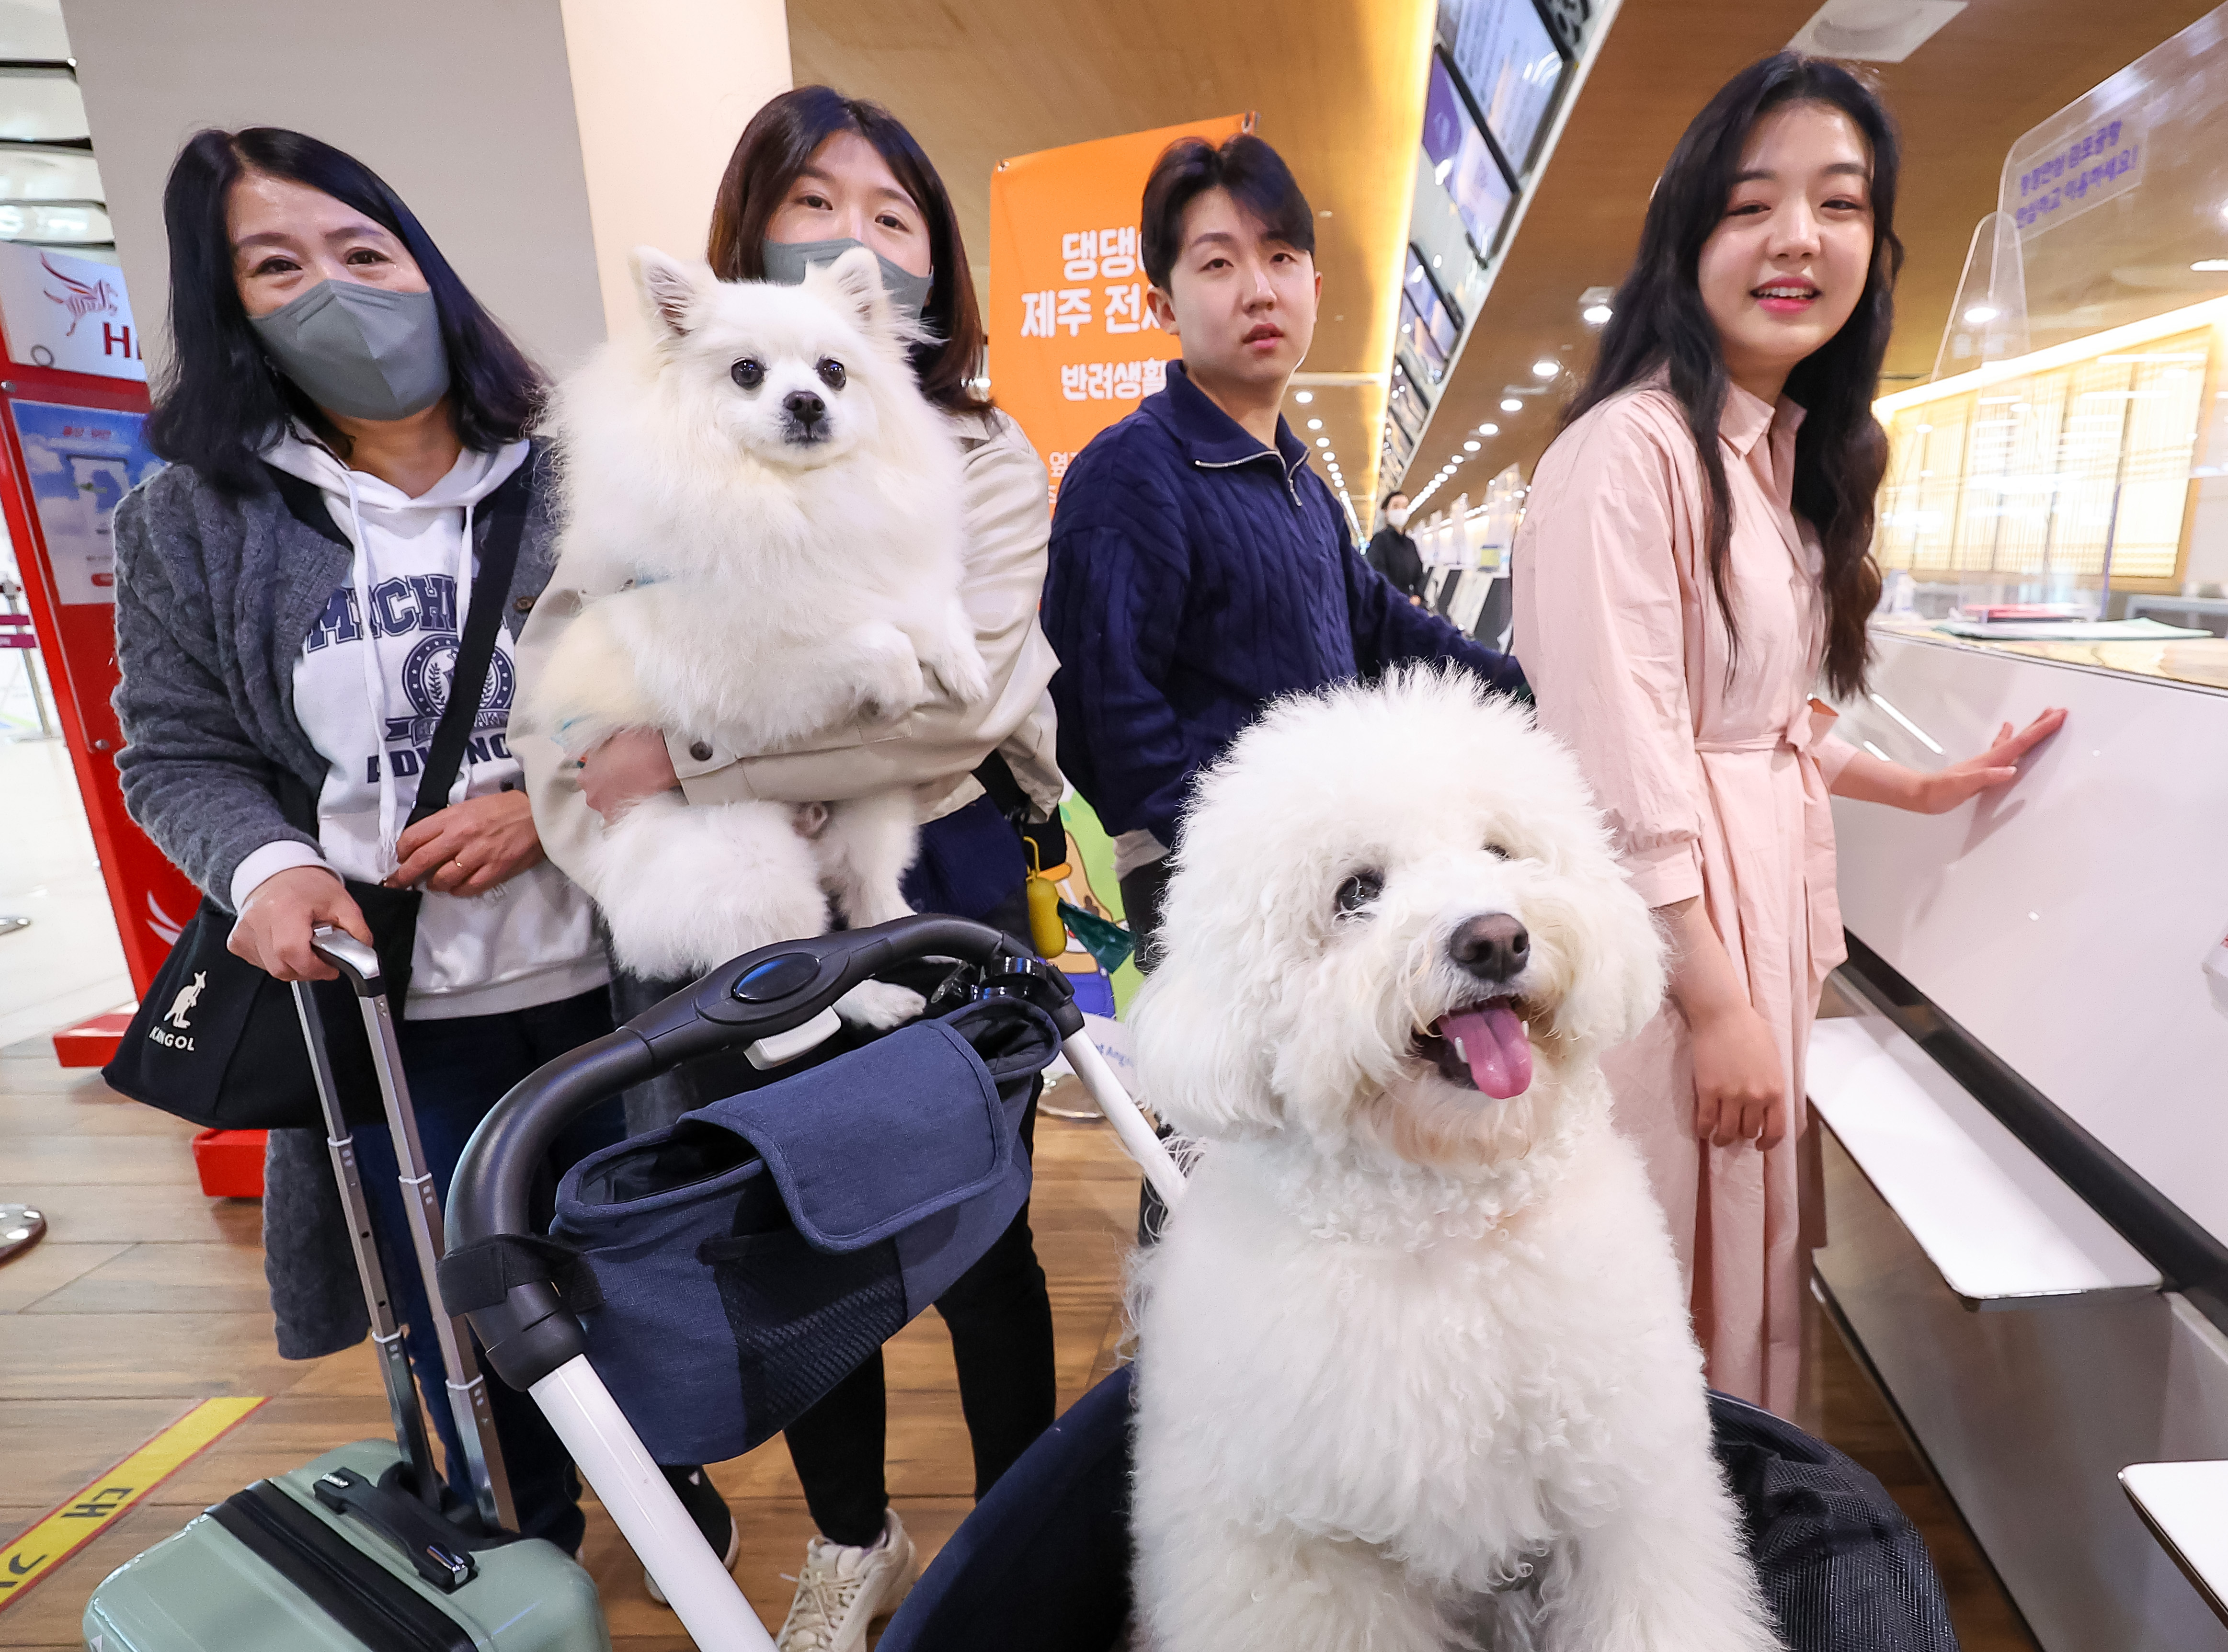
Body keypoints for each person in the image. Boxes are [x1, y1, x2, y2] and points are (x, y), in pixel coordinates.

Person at [514, 86, 1063, 1651]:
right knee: (794, 1219)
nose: (858, 242)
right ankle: (850, 1534)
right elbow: (568, 682)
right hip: (723, 886)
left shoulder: (980, 447)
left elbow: (950, 711)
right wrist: (607, 804)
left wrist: (686, 759)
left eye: (893, 215)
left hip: (921, 868)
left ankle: (1022, 1531)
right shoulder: (650, 452)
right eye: (819, 206)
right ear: (750, 237)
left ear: (933, 259)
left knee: (982, 1219)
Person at [1514, 54, 2065, 1415]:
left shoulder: (1772, 459)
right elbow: (1616, 760)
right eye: (1753, 204)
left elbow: (1759, 720)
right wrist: (1713, 1004)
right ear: (1687, 235)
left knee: (1733, 1256)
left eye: (1840, 204)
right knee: (1658, 1268)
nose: (1798, 240)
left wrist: (1922, 786)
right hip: (1676, 952)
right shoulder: (1625, 457)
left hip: (1738, 931)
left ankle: (1728, 1555)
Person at [112, 127, 621, 1551]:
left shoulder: (587, 473)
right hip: (400, 1027)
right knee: (459, 1338)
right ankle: (527, 1559)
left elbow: (692, 693)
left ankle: (662, 1479)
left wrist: (552, 804)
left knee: (645, 1281)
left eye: (361, 251)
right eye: (277, 267)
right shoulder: (188, 523)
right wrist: (269, 869)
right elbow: (178, 746)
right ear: (231, 314)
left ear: (423, 264)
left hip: (619, 990)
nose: (334, 290)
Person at [1040, 134, 1525, 968]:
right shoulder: (1129, 473)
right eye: (1219, 265)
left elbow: (1385, 628)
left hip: (1334, 871)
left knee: (1338, 1097)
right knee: (1232, 1099)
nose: (1259, 290)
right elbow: (1102, 711)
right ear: (1163, 304)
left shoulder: (1299, 481)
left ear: (1314, 285)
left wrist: (1537, 686)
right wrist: (1241, 841)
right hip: (1214, 886)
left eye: (1280, 257)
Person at [1365, 490, 1427, 603]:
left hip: (1409, 605)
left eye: (1404, 507)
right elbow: (1378, 574)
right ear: (1386, 511)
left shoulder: (1410, 544)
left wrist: (1418, 595)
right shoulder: (1379, 541)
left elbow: (1419, 575)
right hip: (1387, 605)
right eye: (1396, 506)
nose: (1401, 510)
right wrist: (1398, 598)